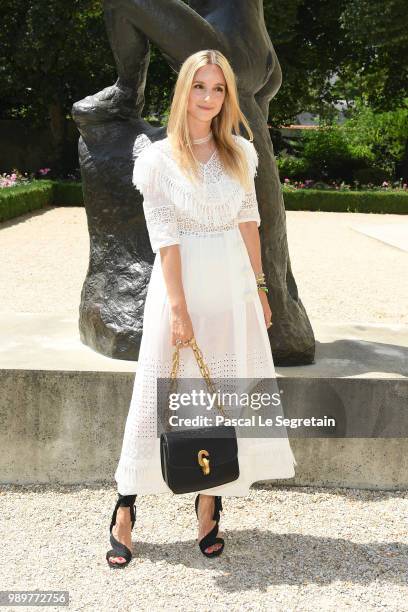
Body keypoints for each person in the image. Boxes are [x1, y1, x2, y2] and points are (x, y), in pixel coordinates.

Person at [106, 49, 297, 569]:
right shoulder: (157, 159)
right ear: (183, 91)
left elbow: (250, 221)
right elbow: (164, 240)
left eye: (218, 89)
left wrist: (260, 289)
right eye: (200, 87)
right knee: (157, 395)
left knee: (221, 399)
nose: (209, 98)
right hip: (181, 291)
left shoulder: (240, 152)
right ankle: (125, 506)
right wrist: (179, 310)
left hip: (233, 292)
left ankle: (209, 503)